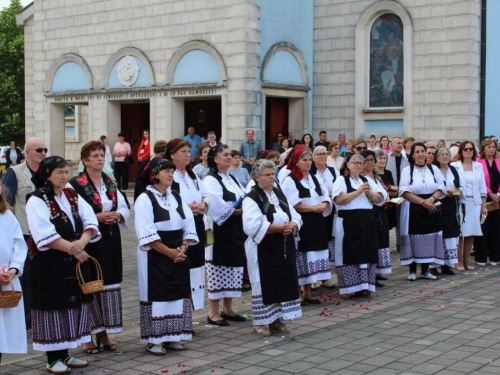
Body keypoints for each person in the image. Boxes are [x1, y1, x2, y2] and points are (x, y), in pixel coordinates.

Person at [26, 156, 102, 373]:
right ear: (47, 175)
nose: (64, 177)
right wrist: (74, 249)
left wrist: (82, 242)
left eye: (66, 172)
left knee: (72, 304)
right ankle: (52, 358)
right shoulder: (37, 199)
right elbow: (43, 232)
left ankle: (66, 354)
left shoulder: (70, 194)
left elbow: (90, 220)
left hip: (73, 260)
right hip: (50, 262)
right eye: (59, 173)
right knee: (54, 305)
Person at [69, 140, 130, 354]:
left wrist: (118, 215)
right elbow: (73, 215)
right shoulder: (75, 185)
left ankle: (103, 333)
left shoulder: (110, 182)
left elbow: (124, 205)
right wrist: (98, 217)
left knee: (108, 285)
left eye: (102, 154)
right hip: (89, 242)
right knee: (89, 285)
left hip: (110, 241)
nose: (100, 158)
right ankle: (87, 336)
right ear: (85, 159)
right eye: (94, 155)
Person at [134, 160, 198, 355]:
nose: (171, 175)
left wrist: (183, 248)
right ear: (155, 174)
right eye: (166, 171)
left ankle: (173, 336)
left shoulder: (176, 197)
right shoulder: (145, 199)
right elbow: (146, 231)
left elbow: (189, 225)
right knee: (157, 294)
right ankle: (155, 340)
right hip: (155, 252)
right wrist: (168, 251)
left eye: (172, 171)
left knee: (177, 292)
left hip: (177, 251)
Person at [243, 160, 302, 336]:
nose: (271, 178)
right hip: (264, 246)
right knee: (263, 283)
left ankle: (277, 321)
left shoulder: (278, 193)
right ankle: (260, 321)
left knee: (282, 281)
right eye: (267, 175)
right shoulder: (251, 197)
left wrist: (294, 224)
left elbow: (295, 213)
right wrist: (276, 228)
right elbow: (251, 225)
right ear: (257, 177)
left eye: (273, 174)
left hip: (283, 246)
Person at [3, 137, 48, 331]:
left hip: (45, 234)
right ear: (27, 152)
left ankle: (40, 314)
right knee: (26, 278)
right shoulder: (15, 173)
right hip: (24, 233)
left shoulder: (47, 173)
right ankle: (25, 320)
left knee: (43, 277)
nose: (43, 153)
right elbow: (6, 203)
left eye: (45, 149)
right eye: (39, 149)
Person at [203, 145, 247, 326]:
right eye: (226, 155)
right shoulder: (210, 180)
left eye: (231, 155)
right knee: (218, 268)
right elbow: (215, 205)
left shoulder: (233, 179)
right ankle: (213, 312)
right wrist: (238, 211)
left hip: (235, 229)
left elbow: (244, 197)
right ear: (215, 158)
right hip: (219, 229)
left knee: (233, 267)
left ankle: (227, 308)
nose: (229, 157)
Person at [281, 148, 332, 305]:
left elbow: (325, 196)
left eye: (310, 160)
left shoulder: (314, 178)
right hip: (302, 222)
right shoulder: (290, 180)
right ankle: (298, 293)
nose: (308, 162)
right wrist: (314, 208)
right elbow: (292, 204)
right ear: (296, 162)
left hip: (317, 222)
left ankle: (308, 291)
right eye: (305, 160)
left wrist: (323, 205)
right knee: (301, 256)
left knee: (313, 255)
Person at [332, 154, 385, 299]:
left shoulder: (366, 180)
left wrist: (369, 192)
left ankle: (365, 286)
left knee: (366, 253)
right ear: (348, 165)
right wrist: (358, 192)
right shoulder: (341, 180)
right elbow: (339, 199)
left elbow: (381, 198)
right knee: (349, 253)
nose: (357, 165)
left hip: (366, 220)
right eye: (354, 163)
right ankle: (348, 288)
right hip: (349, 220)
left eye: (360, 163)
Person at [165, 139, 207, 313]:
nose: (187, 155)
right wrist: (187, 207)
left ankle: (190, 310)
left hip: (196, 223)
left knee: (196, 267)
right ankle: (180, 311)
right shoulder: (169, 175)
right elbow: (166, 199)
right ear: (172, 154)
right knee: (183, 267)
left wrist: (203, 205)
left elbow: (205, 195)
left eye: (189, 151)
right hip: (179, 227)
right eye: (183, 151)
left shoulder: (192, 174)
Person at [399, 142, 446, 281]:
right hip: (414, 206)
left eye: (422, 151)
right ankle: (412, 270)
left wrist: (431, 199)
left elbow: (441, 186)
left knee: (429, 237)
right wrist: (422, 202)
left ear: (426, 153)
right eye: (417, 152)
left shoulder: (434, 169)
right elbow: (404, 191)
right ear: (413, 154)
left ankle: (425, 270)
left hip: (431, 207)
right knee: (413, 236)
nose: (420, 154)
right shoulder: (407, 170)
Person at [0, 180, 28, 365]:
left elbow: (19, 243)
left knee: (2, 337)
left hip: (5, 280)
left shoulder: (7, 215)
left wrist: (13, 268)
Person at [451, 141, 487, 270]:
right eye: (465, 149)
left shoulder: (478, 166)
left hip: (475, 203)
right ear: (461, 151)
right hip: (460, 202)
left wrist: (484, 205)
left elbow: (482, 187)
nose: (468, 151)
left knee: (471, 232)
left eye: (470, 149)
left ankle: (467, 260)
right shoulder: (454, 165)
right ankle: (458, 260)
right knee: (461, 232)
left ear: (474, 151)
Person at [428, 147, 463, 276]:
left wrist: (457, 191)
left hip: (451, 204)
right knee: (439, 234)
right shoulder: (434, 170)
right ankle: (434, 265)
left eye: (447, 154)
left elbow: (461, 184)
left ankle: (447, 265)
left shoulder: (453, 169)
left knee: (451, 233)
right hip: (439, 204)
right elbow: (434, 186)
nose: (445, 157)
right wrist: (444, 193)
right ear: (437, 158)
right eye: (442, 154)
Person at [361, 150, 391, 286]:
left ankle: (376, 272)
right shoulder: (361, 177)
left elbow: (383, 192)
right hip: (370, 212)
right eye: (366, 160)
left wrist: (387, 200)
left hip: (381, 211)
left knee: (381, 241)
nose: (370, 163)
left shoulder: (376, 176)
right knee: (371, 243)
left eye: (372, 160)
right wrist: (379, 199)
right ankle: (369, 275)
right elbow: (369, 196)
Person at [312, 146, 338, 288]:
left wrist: (331, 196)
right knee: (316, 243)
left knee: (327, 242)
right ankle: (314, 277)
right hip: (315, 211)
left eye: (325, 154)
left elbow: (339, 187)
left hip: (329, 210)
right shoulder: (310, 172)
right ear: (314, 156)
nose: (323, 156)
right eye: (319, 154)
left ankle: (325, 276)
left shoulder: (332, 171)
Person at [473, 139, 500, 267]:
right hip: (483, 198)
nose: (491, 149)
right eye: (489, 147)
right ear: (483, 149)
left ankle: (495, 256)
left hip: (497, 200)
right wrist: (490, 193)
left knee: (496, 228)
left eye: (493, 147)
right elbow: (479, 182)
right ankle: (481, 257)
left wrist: (498, 194)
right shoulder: (478, 163)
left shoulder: (498, 163)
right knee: (483, 227)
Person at [386, 137, 410, 251]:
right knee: (388, 219)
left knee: (401, 219)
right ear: (391, 145)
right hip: (389, 193)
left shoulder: (406, 160)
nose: (400, 145)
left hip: (402, 194)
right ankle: (384, 245)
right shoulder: (386, 158)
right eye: (397, 143)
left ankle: (400, 244)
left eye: (401, 143)